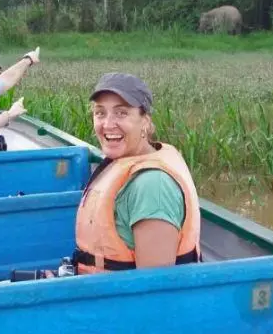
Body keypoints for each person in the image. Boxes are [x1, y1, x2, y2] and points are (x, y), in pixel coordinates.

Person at [72, 73, 201, 274]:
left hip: (119, 304)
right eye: (100, 113)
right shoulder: (123, 161)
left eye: (121, 113)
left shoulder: (153, 186)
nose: (108, 124)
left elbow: (153, 289)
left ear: (145, 122)